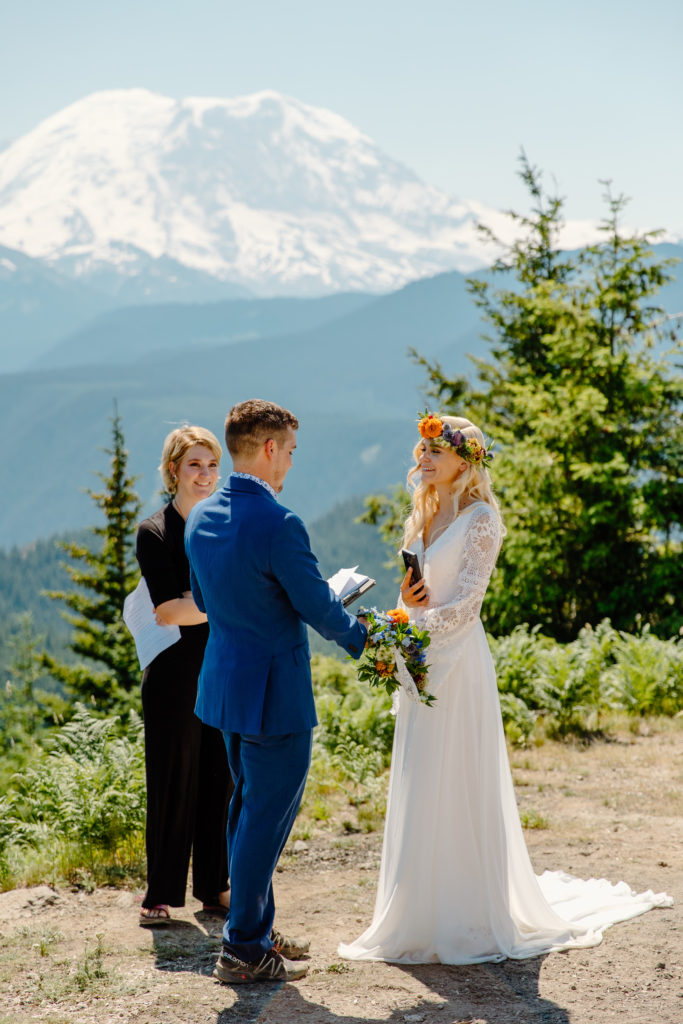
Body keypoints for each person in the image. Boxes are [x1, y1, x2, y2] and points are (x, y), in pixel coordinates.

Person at [339, 413, 672, 965]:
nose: (421, 461)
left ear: (464, 462)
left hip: (459, 663)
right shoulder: (423, 511)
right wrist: (405, 607)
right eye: (420, 452)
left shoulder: (482, 520)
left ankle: (466, 911)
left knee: (458, 775)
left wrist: (407, 630)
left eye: (433, 454)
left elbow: (468, 607)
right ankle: (418, 908)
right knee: (423, 774)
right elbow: (424, 597)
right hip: (422, 661)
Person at [184, 399, 367, 984]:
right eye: (288, 449)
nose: (290, 460)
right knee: (266, 818)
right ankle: (241, 949)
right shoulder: (280, 523)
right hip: (274, 696)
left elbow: (209, 602)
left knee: (245, 811)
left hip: (226, 691)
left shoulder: (200, 517)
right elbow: (318, 606)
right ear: (267, 449)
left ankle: (255, 930)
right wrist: (371, 641)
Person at [136, 425, 234, 926]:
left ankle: (215, 887)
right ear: (173, 469)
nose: (205, 474)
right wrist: (225, 601)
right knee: (173, 779)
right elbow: (169, 610)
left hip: (219, 664)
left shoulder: (222, 522)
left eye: (212, 464)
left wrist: (209, 606)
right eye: (195, 464)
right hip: (174, 672)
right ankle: (160, 894)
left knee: (220, 777)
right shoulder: (155, 532)